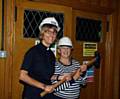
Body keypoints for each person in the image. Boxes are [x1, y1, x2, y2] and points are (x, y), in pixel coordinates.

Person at [19, 17, 61, 99]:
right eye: (48, 31)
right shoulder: (33, 52)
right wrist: (44, 86)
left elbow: (46, 76)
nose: (52, 35)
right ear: (42, 33)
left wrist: (60, 77)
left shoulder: (51, 54)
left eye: (54, 32)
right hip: (33, 94)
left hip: (46, 94)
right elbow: (22, 76)